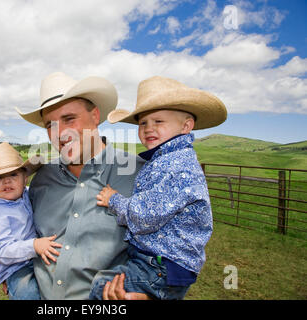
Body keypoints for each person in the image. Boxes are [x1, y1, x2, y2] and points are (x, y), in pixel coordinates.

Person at [89, 75, 227, 300]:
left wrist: (113, 199)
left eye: (159, 122)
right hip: (163, 262)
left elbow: (145, 216)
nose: (148, 128)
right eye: (143, 123)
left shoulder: (175, 166)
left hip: (161, 264)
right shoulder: (168, 159)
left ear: (186, 126)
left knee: (102, 286)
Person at [15, 72, 146, 299]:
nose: (60, 133)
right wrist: (15, 278)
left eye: (69, 119)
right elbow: (19, 235)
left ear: (95, 115)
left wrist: (151, 294)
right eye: (50, 125)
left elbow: (174, 249)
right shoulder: (42, 180)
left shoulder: (138, 174)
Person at [0, 142, 62, 300]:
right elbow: (2, 251)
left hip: (35, 257)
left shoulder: (27, 195)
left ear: (25, 178)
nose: (6, 181)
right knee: (28, 293)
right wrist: (34, 245)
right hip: (15, 267)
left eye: (13, 175)